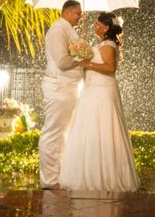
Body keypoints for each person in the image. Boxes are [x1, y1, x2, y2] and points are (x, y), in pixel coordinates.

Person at [59, 11, 140, 192]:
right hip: (92, 90)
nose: (94, 26)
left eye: (97, 24)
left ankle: (105, 176)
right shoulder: (102, 43)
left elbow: (110, 68)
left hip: (102, 91)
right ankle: (91, 172)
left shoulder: (108, 44)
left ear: (106, 27)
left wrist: (85, 64)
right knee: (90, 129)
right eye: (94, 23)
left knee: (103, 127)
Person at [39, 0, 84, 190]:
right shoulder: (58, 30)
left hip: (68, 87)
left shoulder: (68, 30)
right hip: (59, 87)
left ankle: (60, 176)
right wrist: (84, 56)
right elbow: (63, 62)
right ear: (67, 12)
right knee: (53, 133)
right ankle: (49, 180)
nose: (80, 17)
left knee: (64, 134)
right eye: (77, 13)